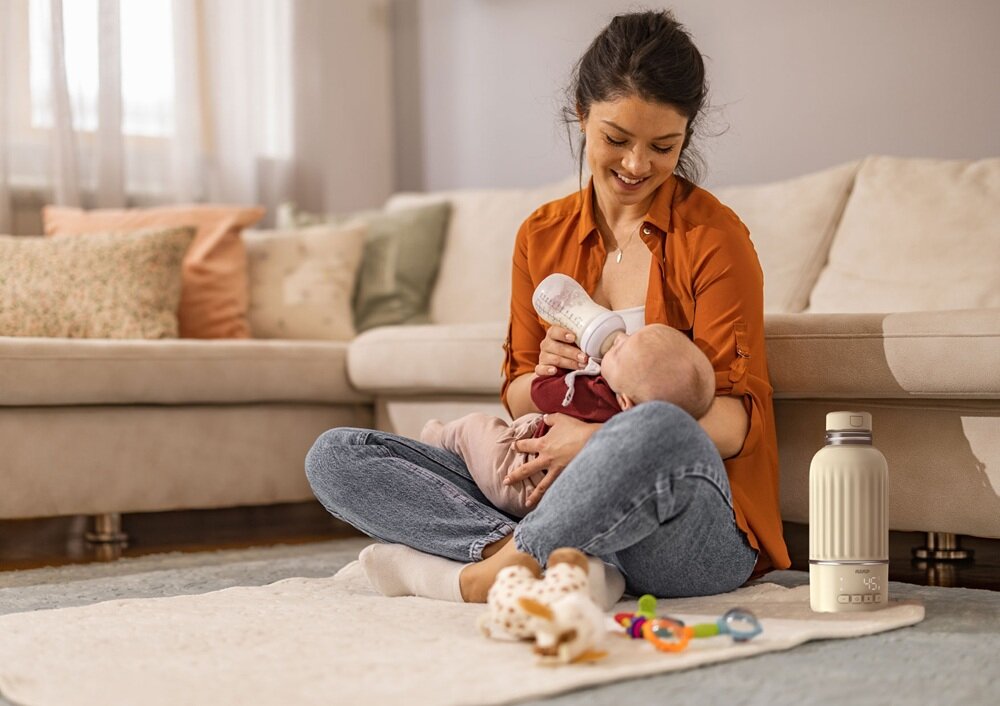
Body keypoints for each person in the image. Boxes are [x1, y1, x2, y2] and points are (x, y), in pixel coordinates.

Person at [305, 9, 790, 606]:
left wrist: (596, 442)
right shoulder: (542, 235)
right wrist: (544, 379)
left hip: (685, 529)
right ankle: (553, 554)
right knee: (337, 456)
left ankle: (494, 569)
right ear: (582, 116)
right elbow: (512, 395)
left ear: (686, 136)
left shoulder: (714, 239)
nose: (637, 166)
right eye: (616, 139)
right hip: (547, 492)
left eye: (663, 146)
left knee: (661, 428)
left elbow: (736, 424)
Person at [420, 323, 716, 518]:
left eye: (619, 350)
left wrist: (574, 367)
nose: (619, 338)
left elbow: (541, 391)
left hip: (519, 477)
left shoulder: (597, 394)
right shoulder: (636, 429)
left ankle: (438, 437)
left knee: (476, 428)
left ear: (625, 401)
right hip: (556, 501)